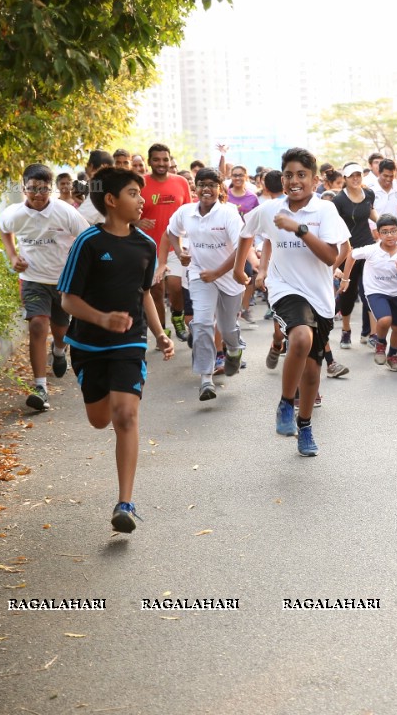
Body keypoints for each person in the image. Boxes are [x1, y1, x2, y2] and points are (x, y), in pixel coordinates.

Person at [58, 167, 176, 532]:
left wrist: (159, 333)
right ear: (111, 200)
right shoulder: (88, 243)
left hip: (130, 342)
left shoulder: (144, 245)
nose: (142, 200)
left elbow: (144, 295)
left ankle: (125, 503)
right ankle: (103, 401)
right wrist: (102, 318)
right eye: (133, 193)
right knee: (100, 419)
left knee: (125, 416)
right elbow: (68, 301)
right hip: (88, 345)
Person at [234, 148, 348, 457]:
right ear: (281, 179)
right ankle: (286, 403)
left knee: (312, 373)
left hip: (321, 297)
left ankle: (305, 425)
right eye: (288, 175)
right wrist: (238, 268)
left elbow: (329, 257)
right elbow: (247, 232)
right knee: (300, 337)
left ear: (314, 179)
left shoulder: (325, 211)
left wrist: (299, 229)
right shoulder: (269, 210)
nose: (294, 181)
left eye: (301, 175)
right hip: (284, 289)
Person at [0, 164, 91, 411]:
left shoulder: (65, 212)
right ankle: (40, 387)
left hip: (63, 281)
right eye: (32, 189)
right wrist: (13, 256)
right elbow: (4, 230)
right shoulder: (14, 213)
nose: (38, 195)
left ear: (50, 189)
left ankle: (59, 351)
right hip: (33, 279)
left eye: (43, 190)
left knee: (61, 331)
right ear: (23, 188)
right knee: (38, 325)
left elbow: (87, 238)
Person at [159, 168, 245, 402]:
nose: (206, 189)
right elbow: (171, 233)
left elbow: (240, 249)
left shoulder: (228, 214)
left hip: (228, 279)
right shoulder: (185, 212)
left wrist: (217, 272)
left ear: (220, 188)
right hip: (199, 275)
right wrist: (180, 253)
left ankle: (235, 350)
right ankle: (205, 379)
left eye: (212, 185)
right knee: (203, 323)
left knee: (227, 329)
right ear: (194, 187)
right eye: (202, 184)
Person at [339, 215, 397, 371]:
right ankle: (380, 344)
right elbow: (351, 255)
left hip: (395, 293)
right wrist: (346, 279)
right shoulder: (371, 249)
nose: (389, 235)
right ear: (378, 234)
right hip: (375, 292)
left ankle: (392, 356)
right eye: (385, 232)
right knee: (385, 320)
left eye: (393, 231)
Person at [140, 143, 193, 346]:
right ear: (149, 161)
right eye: (156, 160)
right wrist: (136, 222)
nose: (161, 164)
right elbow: (128, 209)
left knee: (176, 286)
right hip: (147, 246)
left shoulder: (180, 182)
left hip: (175, 244)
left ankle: (178, 317)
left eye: (165, 159)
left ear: (170, 160)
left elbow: (189, 212)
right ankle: (161, 330)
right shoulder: (141, 182)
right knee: (155, 291)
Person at [332, 163, 378, 350]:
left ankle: (373, 334)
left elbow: (372, 212)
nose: (355, 178)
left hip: (368, 247)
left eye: (358, 175)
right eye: (351, 176)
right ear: (345, 178)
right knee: (347, 293)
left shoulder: (369, 194)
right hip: (347, 250)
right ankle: (346, 330)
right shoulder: (338, 200)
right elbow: (333, 226)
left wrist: (385, 223)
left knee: (370, 290)